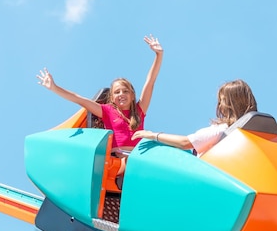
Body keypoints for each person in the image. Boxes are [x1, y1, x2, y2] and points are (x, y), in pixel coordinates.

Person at [36, 34, 164, 156]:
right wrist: (54, 87)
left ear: (132, 95)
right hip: (116, 160)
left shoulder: (139, 110)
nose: (121, 94)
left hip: (137, 159)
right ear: (112, 98)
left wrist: (159, 55)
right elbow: (79, 99)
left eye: (125, 91)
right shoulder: (107, 111)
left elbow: (150, 82)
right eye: (117, 92)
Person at [131, 79, 257, 157]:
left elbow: (185, 143)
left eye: (222, 100)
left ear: (232, 104)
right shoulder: (250, 134)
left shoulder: (223, 130)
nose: (219, 105)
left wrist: (153, 135)